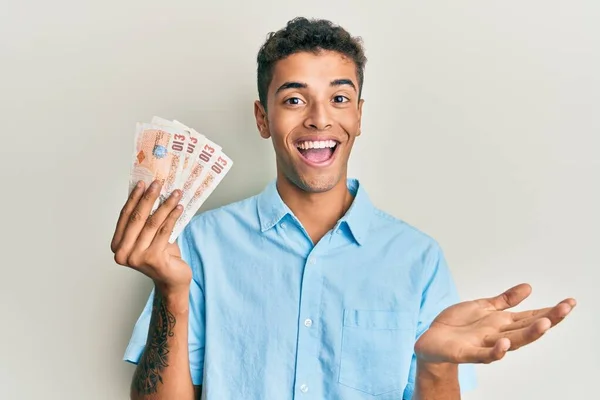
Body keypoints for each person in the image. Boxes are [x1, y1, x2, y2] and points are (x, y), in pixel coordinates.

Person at [111, 17, 576, 400]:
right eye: (294, 99)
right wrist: (171, 292)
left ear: (358, 115)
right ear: (262, 118)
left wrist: (435, 366)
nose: (319, 117)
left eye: (339, 98)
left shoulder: (418, 259)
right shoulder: (200, 244)